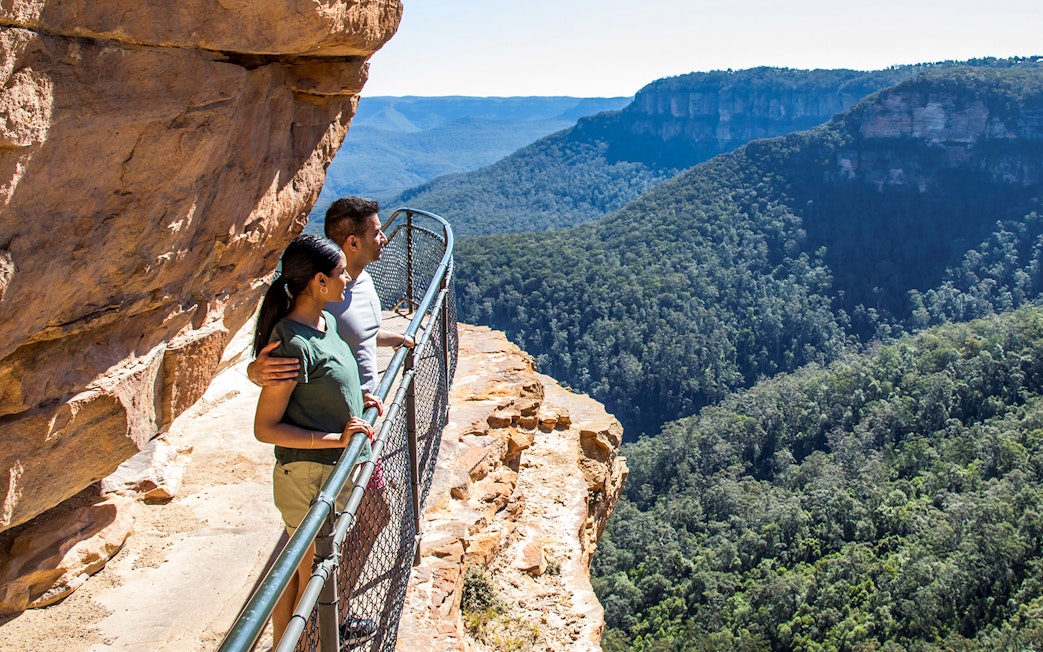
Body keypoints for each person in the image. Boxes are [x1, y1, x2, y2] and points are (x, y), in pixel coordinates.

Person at [251, 233, 378, 646]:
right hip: (308, 476)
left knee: (302, 573)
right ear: (319, 282)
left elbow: (331, 383)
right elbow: (266, 428)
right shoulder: (291, 343)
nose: (348, 280)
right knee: (311, 580)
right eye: (341, 273)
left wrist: (360, 400)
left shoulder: (324, 323)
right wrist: (336, 440)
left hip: (325, 473)